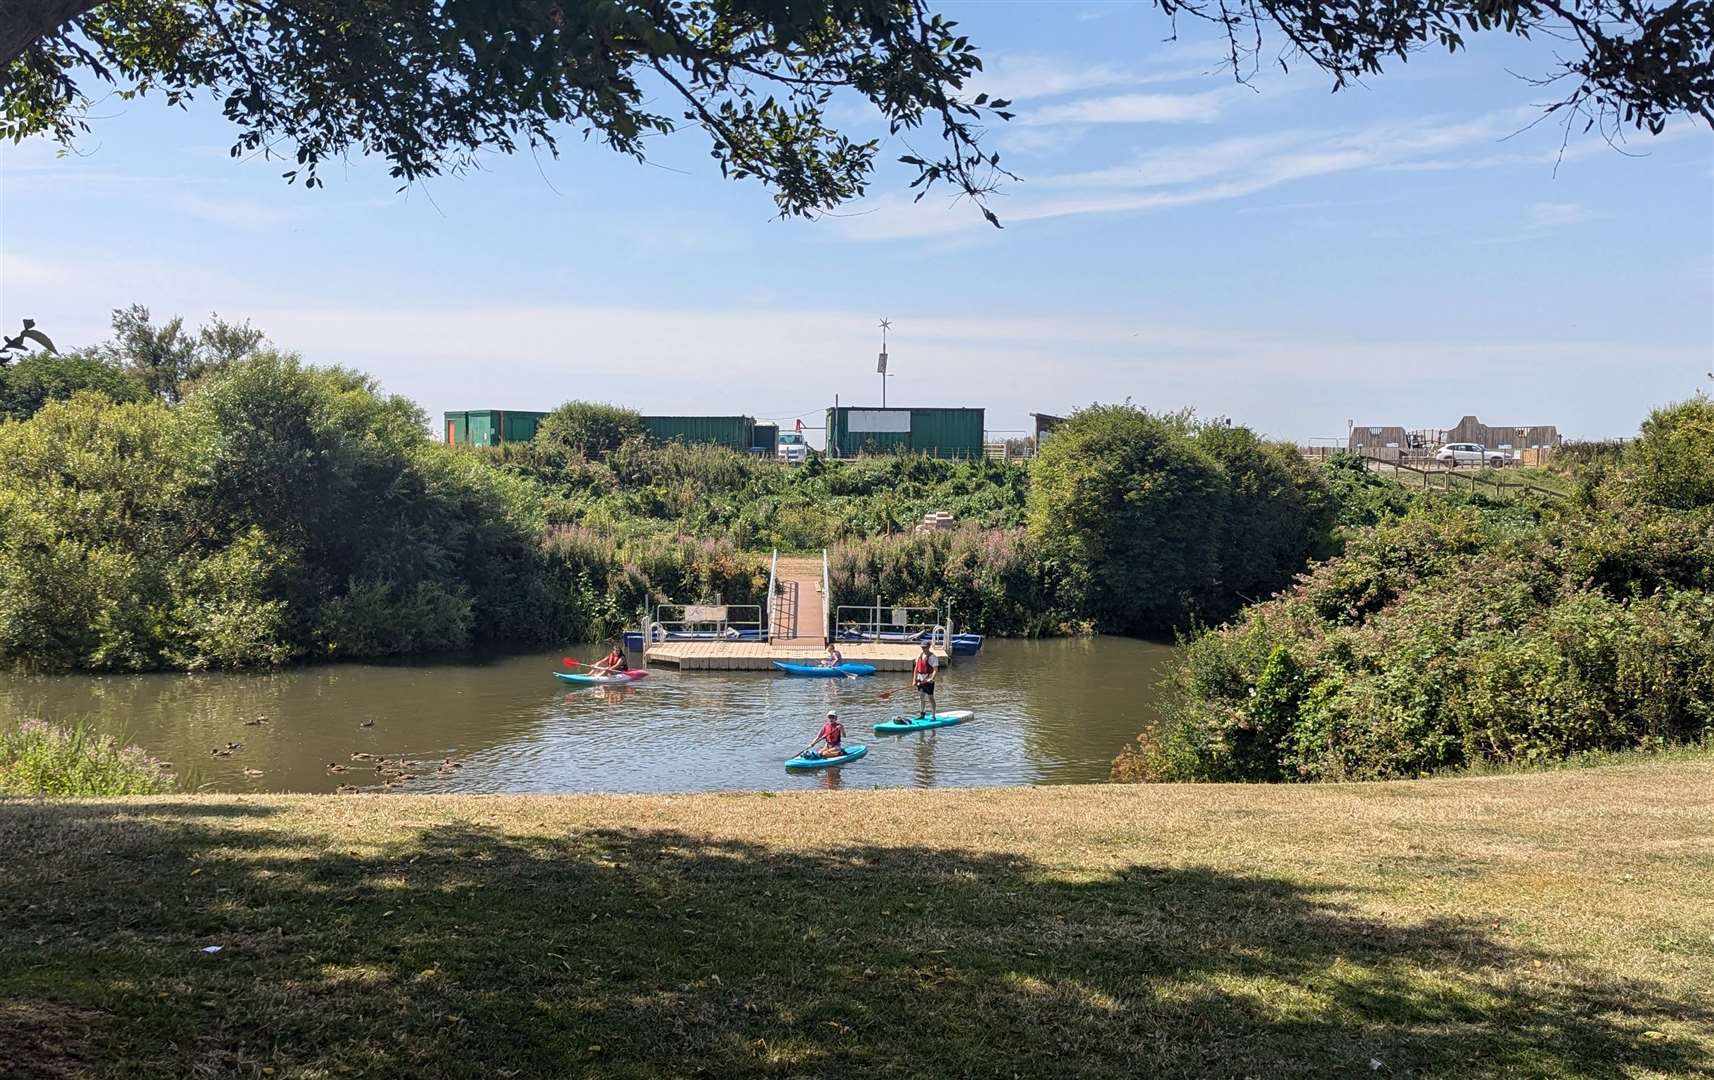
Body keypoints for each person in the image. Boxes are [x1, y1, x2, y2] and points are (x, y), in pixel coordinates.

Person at [912, 642, 939, 719]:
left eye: (925, 647)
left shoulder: (933, 657)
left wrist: (932, 678)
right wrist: (914, 680)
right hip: (920, 680)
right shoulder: (919, 656)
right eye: (922, 647)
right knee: (921, 697)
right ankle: (922, 714)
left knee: (930, 697)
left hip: (928, 680)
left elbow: (935, 670)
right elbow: (916, 669)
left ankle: (933, 716)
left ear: (929, 647)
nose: (923, 649)